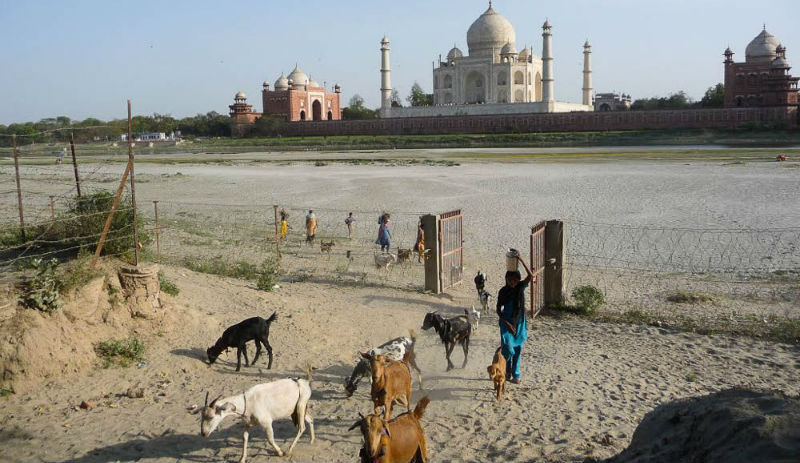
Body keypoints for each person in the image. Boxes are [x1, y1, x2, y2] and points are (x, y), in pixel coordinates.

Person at [496, 251, 536, 384]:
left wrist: (521, 259)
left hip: (519, 322)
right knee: (508, 347)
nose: (512, 282)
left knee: (518, 349)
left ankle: (515, 374)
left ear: (518, 280)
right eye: (509, 280)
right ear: (506, 279)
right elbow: (498, 309)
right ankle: (506, 370)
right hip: (506, 323)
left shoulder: (520, 288)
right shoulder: (503, 292)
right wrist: (507, 324)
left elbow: (531, 276)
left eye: (515, 280)